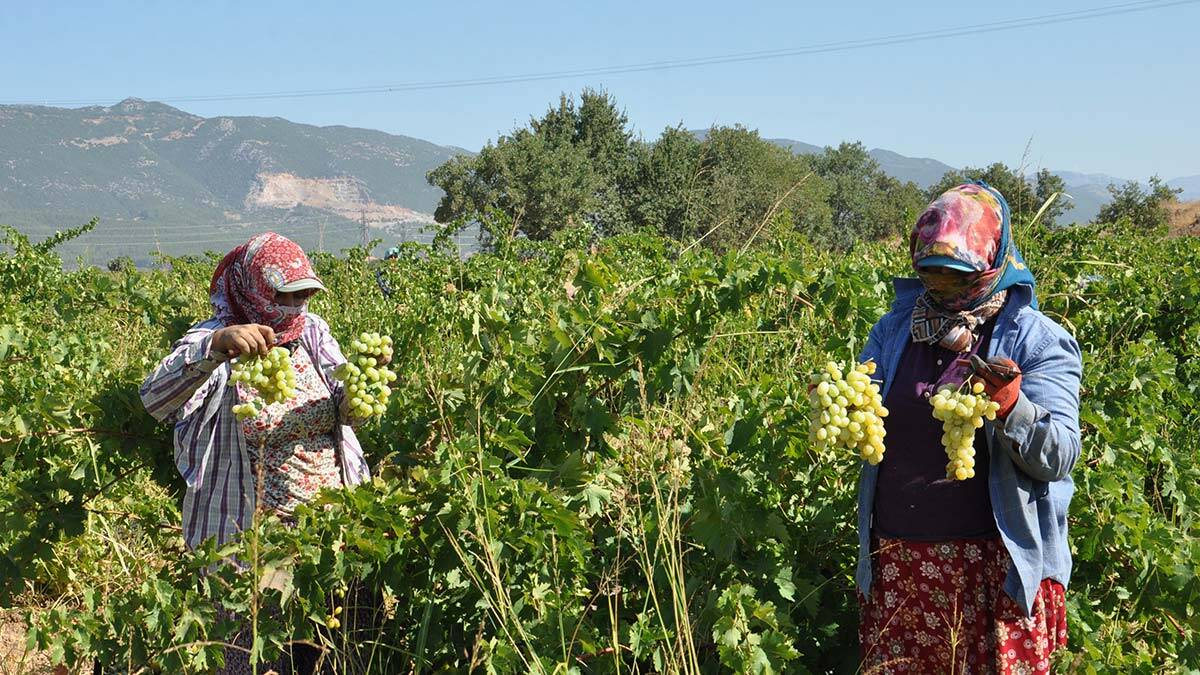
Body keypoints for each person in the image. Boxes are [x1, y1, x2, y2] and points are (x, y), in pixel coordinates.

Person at [855, 182, 1081, 673]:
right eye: (931, 275)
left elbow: (1059, 455)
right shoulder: (893, 330)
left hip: (994, 569)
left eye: (957, 277)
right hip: (900, 561)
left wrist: (1012, 406)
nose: (941, 289)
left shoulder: (1038, 342)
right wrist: (847, 404)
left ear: (993, 263)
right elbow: (866, 407)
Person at [139, 232, 372, 674]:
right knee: (256, 655)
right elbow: (155, 398)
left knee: (331, 650)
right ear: (256, 288)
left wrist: (363, 389)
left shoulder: (312, 333)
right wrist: (216, 348)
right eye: (287, 294)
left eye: (306, 293)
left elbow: (345, 407)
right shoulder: (214, 339)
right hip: (251, 539)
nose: (298, 304)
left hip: (329, 533)